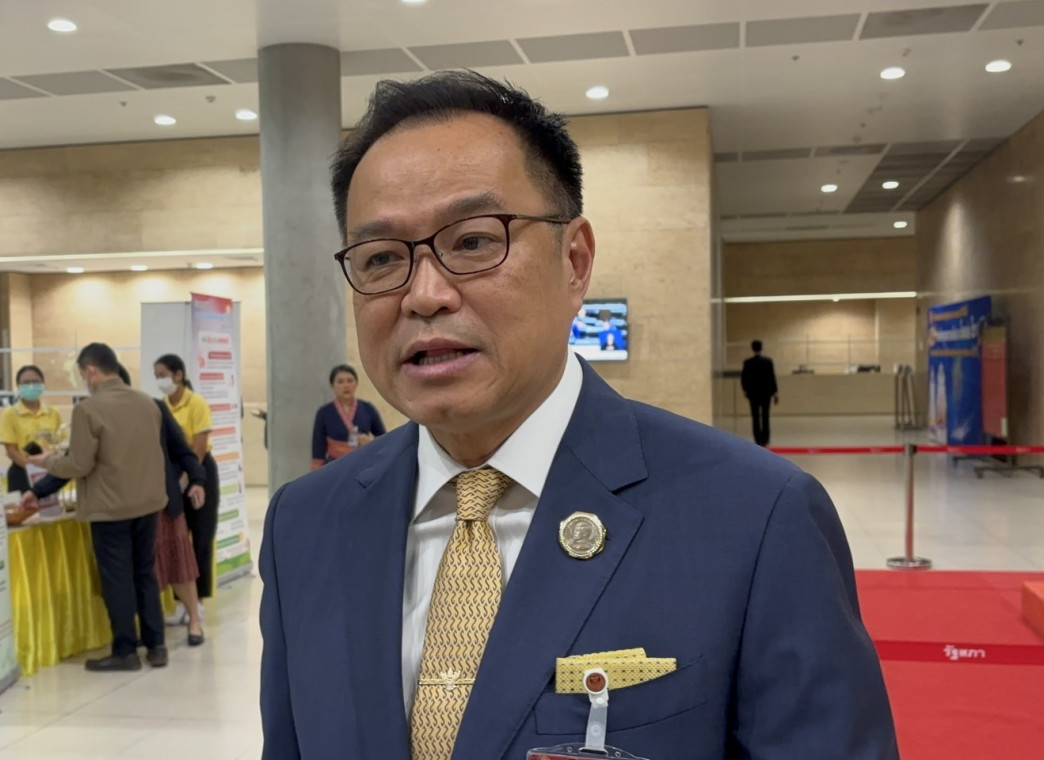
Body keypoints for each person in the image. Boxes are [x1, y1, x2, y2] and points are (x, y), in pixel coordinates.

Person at [258, 72, 897, 758]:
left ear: (575, 262)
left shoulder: (755, 517)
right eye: (382, 258)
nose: (425, 294)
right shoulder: (304, 525)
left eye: (473, 242)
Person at [28, 365, 208, 646]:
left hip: (157, 503)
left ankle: (189, 623)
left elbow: (182, 450)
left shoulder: (151, 408)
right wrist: (39, 490)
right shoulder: (103, 413)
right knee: (144, 573)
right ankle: (152, 640)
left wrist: (197, 479)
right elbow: (80, 461)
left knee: (174, 565)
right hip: (129, 505)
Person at [29, 343, 168, 672]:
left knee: (118, 580)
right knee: (145, 573)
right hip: (149, 503)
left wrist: (45, 461)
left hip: (110, 509)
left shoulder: (88, 410)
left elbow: (79, 464)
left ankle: (125, 651)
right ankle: (156, 645)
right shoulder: (147, 403)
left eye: (82, 374)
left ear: (91, 370)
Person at [154, 354, 219, 627]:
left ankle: (198, 601)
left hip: (199, 473)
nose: (160, 380)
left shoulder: (196, 403)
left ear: (178, 375)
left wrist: (187, 479)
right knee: (177, 540)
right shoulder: (161, 406)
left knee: (201, 538)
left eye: (163, 374)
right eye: (157, 376)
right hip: (172, 477)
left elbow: (199, 448)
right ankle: (180, 603)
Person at [0, 365, 62, 493]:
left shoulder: (53, 413)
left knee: (50, 506)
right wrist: (33, 469)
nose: (31, 386)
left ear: (43, 384)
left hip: (49, 472)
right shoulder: (9, 414)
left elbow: (58, 444)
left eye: (35, 382)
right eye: (26, 383)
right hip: (21, 473)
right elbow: (11, 451)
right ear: (18, 386)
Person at [310, 364, 386, 470]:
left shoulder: (367, 408)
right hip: (335, 465)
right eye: (340, 382)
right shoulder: (324, 412)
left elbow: (383, 438)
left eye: (350, 381)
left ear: (356, 383)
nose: (346, 386)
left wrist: (369, 442)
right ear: (333, 385)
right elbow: (318, 447)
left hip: (364, 464)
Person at [741, 339, 779, 447]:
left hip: (753, 394)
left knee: (755, 416)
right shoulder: (768, 361)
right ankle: (765, 439)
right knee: (765, 416)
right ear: (762, 347)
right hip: (766, 393)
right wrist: (775, 392)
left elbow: (744, 378)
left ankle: (758, 439)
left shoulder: (748, 362)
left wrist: (745, 390)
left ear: (752, 348)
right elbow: (772, 378)